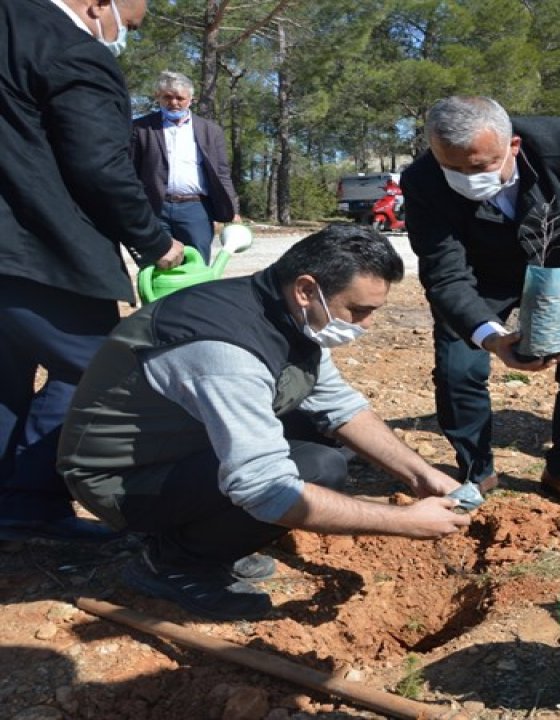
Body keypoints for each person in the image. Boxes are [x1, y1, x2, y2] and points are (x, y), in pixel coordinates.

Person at [57, 225, 471, 620]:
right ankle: (173, 563)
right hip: (121, 482)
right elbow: (264, 490)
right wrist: (405, 523)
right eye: (359, 310)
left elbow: (340, 408)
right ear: (307, 289)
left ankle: (205, 537)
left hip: (176, 446)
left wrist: (421, 475)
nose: (366, 325)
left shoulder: (283, 310)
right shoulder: (227, 352)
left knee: (335, 440)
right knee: (317, 469)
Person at [401, 96, 560, 511]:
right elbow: (444, 273)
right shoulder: (422, 180)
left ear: (513, 146)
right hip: (480, 275)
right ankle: (476, 472)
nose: (468, 178)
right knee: (457, 369)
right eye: (454, 169)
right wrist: (491, 338)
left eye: (481, 166)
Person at [0, 0, 185, 544]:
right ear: (97, 3)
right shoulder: (71, 49)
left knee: (5, 380)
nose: (121, 35)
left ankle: (14, 504)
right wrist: (156, 242)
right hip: (42, 254)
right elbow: (98, 165)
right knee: (100, 373)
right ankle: (34, 503)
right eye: (126, 24)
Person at [130, 70, 240, 263]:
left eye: (180, 98)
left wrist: (233, 210)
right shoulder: (140, 128)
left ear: (191, 99)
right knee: (156, 265)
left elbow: (222, 173)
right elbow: (130, 171)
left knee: (197, 265)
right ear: (158, 98)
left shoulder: (210, 131)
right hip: (155, 208)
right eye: (168, 97)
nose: (174, 103)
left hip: (196, 209)